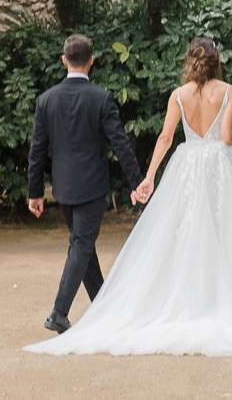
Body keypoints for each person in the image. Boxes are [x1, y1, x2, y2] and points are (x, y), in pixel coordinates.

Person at [25, 35, 232, 357]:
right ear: (217, 61)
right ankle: (225, 303)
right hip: (221, 167)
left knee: (187, 235)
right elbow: (225, 136)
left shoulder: (178, 95)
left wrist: (148, 178)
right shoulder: (229, 91)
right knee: (228, 234)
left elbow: (165, 138)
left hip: (187, 167)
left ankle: (182, 303)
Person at [26, 33, 146, 335]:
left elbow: (37, 150)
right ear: (91, 61)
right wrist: (136, 182)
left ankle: (102, 307)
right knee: (81, 244)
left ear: (64, 60)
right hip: (92, 187)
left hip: (64, 188)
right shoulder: (101, 98)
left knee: (84, 246)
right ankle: (59, 312)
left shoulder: (45, 100)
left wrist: (35, 192)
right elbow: (121, 144)